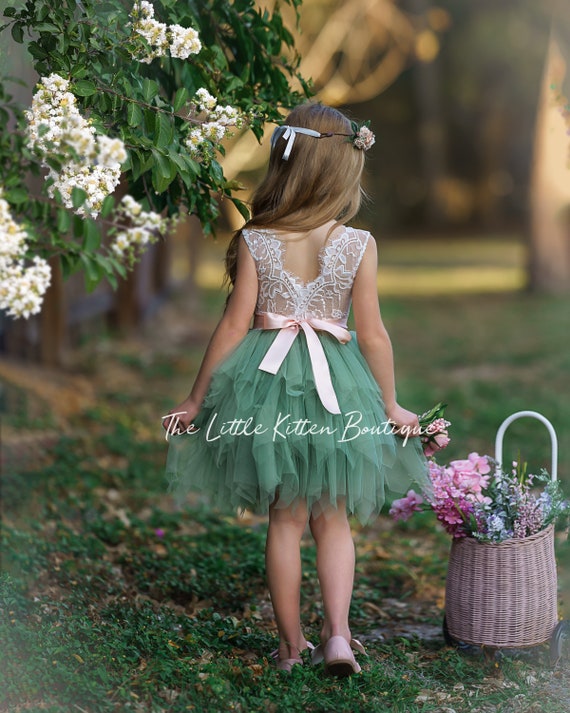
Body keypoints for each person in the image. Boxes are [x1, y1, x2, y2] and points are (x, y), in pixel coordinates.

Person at [163, 102, 429, 677]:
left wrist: (194, 398)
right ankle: (338, 636)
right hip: (339, 384)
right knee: (332, 516)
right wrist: (389, 404)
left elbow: (234, 325)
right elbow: (374, 334)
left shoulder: (257, 238)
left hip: (266, 387)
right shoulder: (358, 244)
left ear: (287, 163)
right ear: (342, 169)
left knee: (285, 519)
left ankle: (289, 647)